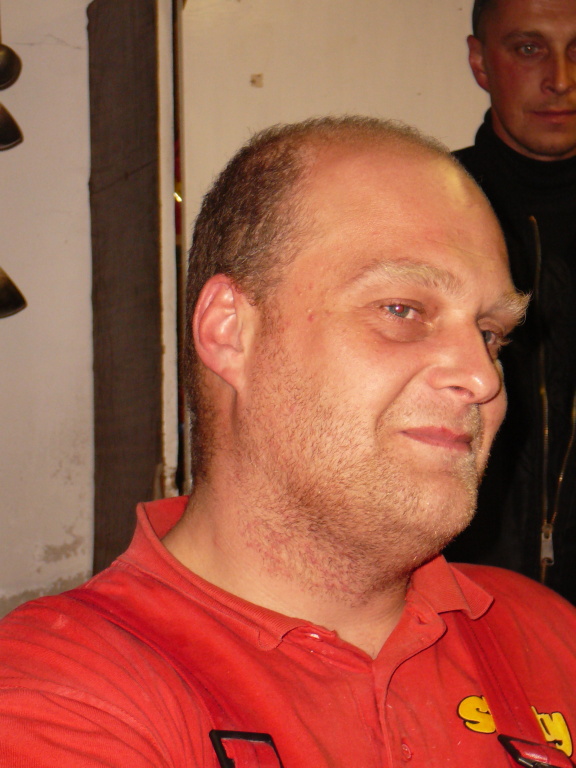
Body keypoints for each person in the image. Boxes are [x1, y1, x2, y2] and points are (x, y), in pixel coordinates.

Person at [2, 115, 576, 768]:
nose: (482, 378)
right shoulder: (64, 692)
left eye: (491, 334)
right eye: (402, 310)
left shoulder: (545, 637)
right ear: (229, 331)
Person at [448, 0, 576, 602]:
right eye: (529, 49)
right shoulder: (419, 213)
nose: (561, 79)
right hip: (457, 601)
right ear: (480, 61)